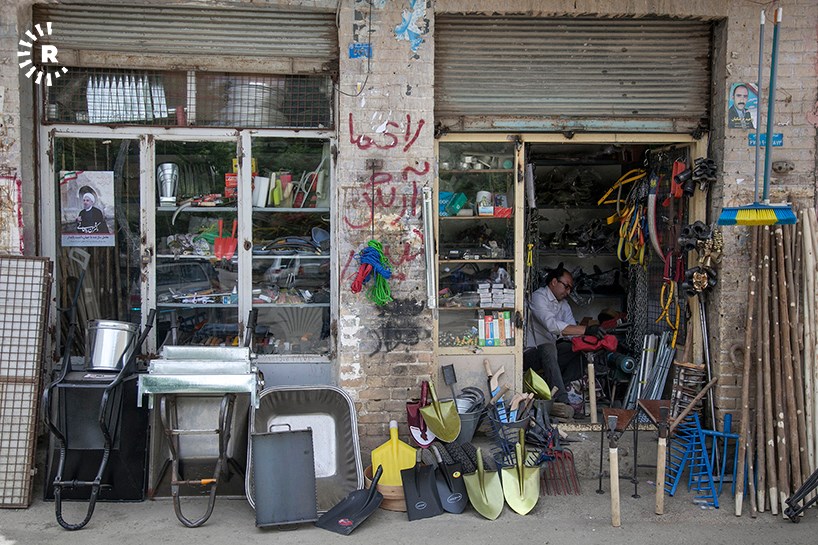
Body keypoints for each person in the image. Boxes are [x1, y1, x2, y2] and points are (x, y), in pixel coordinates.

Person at [525, 266, 605, 415]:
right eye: (566, 286)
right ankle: (562, 401)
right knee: (548, 348)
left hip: (551, 355)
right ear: (554, 282)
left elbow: (572, 333)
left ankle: (563, 388)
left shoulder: (564, 305)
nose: (568, 292)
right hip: (530, 354)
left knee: (580, 350)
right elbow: (552, 326)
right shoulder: (538, 297)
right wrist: (586, 330)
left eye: (570, 289)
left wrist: (592, 339)